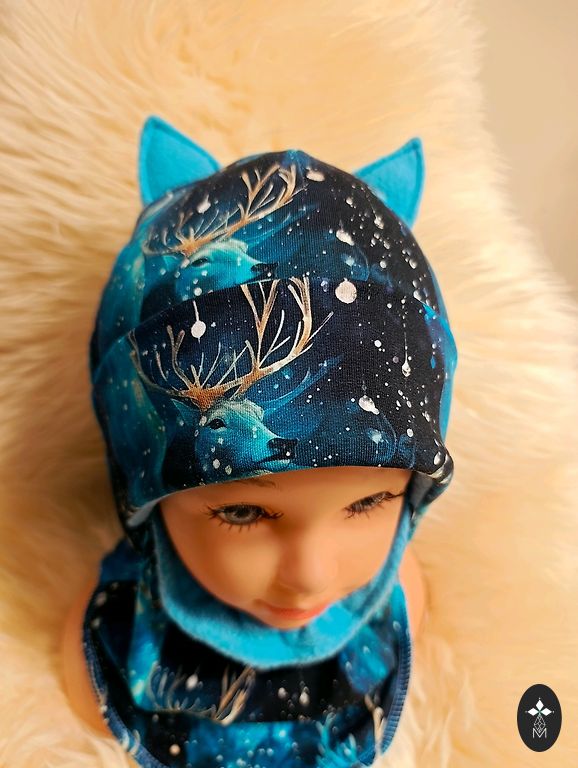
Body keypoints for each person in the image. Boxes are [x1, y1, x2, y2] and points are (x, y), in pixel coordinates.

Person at [60, 117, 457, 767]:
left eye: (368, 503)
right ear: (139, 479)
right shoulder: (116, 640)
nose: (311, 576)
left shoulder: (392, 603)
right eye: (244, 511)